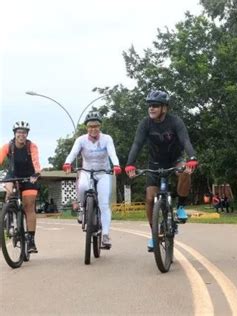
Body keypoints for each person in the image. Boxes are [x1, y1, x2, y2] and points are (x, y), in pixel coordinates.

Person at [124, 89, 198, 252]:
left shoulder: (175, 121)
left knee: (185, 171)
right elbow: (137, 144)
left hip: (175, 160)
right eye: (149, 105)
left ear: (164, 108)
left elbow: (185, 140)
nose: (151, 108)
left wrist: (192, 158)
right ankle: (154, 234)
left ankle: (180, 207)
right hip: (155, 163)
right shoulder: (145, 124)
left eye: (155, 105)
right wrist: (130, 164)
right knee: (150, 198)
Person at [63, 111, 121, 249]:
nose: (93, 129)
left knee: (104, 203)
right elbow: (73, 153)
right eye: (90, 126)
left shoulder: (107, 139)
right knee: (82, 187)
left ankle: (105, 235)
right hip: (87, 172)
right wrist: (67, 163)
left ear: (100, 127)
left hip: (103, 173)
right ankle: (82, 210)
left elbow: (112, 153)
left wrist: (116, 165)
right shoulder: (81, 140)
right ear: (86, 128)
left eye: (96, 126)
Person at [0, 121, 41, 253]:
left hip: (29, 177)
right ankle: (10, 220)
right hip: (13, 175)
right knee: (8, 190)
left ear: (27, 134)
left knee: (29, 205)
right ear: (15, 134)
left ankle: (31, 240)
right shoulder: (8, 146)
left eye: (24, 132)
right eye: (19, 132)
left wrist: (37, 172)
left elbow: (36, 161)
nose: (21, 135)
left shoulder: (31, 146)